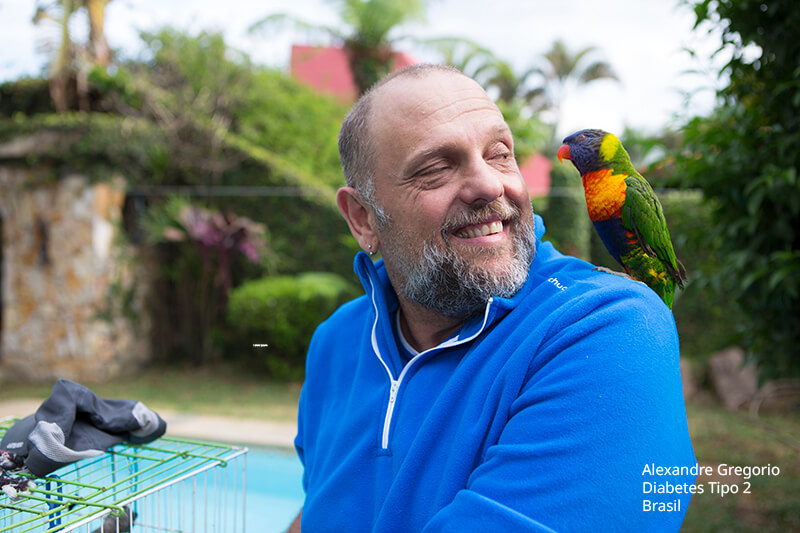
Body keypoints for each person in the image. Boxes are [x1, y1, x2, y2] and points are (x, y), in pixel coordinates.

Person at [290, 63, 696, 532]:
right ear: (362, 218)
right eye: (437, 167)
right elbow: (320, 503)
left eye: (501, 154)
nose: (489, 184)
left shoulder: (609, 328)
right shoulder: (335, 340)